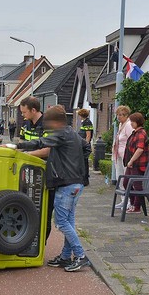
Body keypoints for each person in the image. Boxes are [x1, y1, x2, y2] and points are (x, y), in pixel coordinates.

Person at [15, 106, 92, 272]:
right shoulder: (72, 133)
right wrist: (76, 164)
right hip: (76, 183)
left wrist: (18, 147)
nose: (47, 125)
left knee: (61, 222)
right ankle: (65, 256)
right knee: (69, 221)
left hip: (66, 184)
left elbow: (41, 142)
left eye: (49, 122)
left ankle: (80, 255)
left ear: (55, 122)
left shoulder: (61, 134)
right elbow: (87, 148)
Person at [18, 96, 54, 242]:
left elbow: (48, 150)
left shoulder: (48, 125)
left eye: (24, 112)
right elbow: (21, 143)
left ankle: (40, 244)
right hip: (27, 172)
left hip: (45, 173)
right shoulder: (25, 125)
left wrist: (28, 154)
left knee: (44, 209)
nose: (22, 115)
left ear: (34, 110)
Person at [123, 112, 149, 214]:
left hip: (138, 164)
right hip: (132, 164)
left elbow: (139, 149)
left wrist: (131, 160)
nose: (131, 124)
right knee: (126, 183)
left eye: (132, 121)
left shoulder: (141, 133)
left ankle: (137, 207)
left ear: (138, 122)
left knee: (137, 185)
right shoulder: (135, 132)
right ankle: (133, 203)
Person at [112, 105, 134, 209]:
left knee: (125, 178)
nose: (119, 117)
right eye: (118, 115)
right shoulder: (121, 125)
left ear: (126, 115)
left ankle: (129, 202)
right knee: (119, 177)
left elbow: (132, 139)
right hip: (118, 156)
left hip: (126, 156)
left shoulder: (128, 125)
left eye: (121, 115)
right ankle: (123, 200)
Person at [76, 108, 94, 186]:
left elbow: (88, 135)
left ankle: (85, 179)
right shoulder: (85, 122)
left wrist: (85, 145)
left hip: (84, 146)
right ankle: (83, 178)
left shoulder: (87, 123)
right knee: (82, 162)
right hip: (82, 145)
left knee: (84, 162)